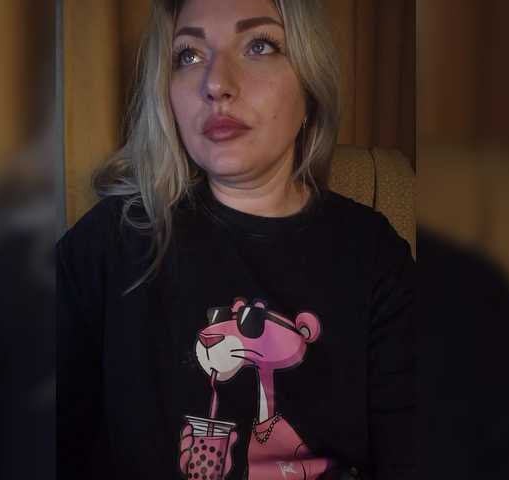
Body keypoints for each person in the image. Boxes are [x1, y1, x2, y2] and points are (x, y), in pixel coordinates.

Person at [57, 1, 415, 479]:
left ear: (309, 85)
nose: (216, 83)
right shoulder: (112, 240)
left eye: (259, 45)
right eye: (188, 55)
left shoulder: (373, 255)